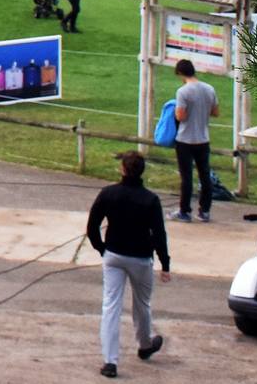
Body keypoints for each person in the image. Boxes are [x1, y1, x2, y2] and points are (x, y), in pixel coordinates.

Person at [86, 149, 170, 377]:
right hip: (141, 258)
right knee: (142, 304)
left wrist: (102, 249)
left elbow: (92, 226)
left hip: (114, 254)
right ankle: (144, 345)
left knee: (110, 306)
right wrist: (165, 263)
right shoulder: (150, 200)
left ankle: (110, 361)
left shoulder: (109, 193)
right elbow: (159, 234)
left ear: (122, 169)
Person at [171, 59, 219, 222]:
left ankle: (184, 210)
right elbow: (215, 111)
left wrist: (176, 113)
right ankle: (205, 210)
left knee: (186, 177)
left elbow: (180, 115)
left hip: (185, 139)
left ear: (180, 73)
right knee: (204, 175)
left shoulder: (183, 92)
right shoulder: (209, 89)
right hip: (203, 138)